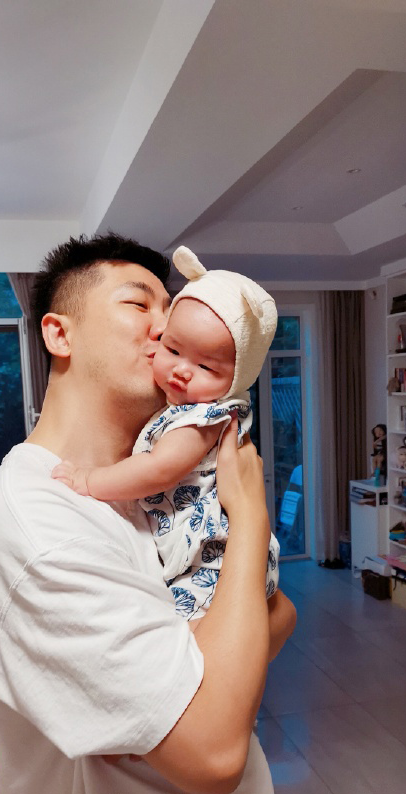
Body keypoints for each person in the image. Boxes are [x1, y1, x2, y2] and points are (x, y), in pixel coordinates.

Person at [0, 233, 296, 794]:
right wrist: (249, 517)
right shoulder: (34, 526)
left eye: (173, 307)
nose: (167, 327)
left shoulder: (156, 493)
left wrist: (209, 671)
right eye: (139, 304)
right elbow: (214, 750)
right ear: (60, 334)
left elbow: (283, 613)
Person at [52, 245, 280, 621]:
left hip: (214, 561)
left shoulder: (203, 418)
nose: (182, 370)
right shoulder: (179, 412)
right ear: (60, 334)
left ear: (236, 380)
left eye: (207, 367)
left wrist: (88, 480)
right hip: (218, 556)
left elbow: (159, 468)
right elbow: (282, 617)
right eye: (172, 349)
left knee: (202, 638)